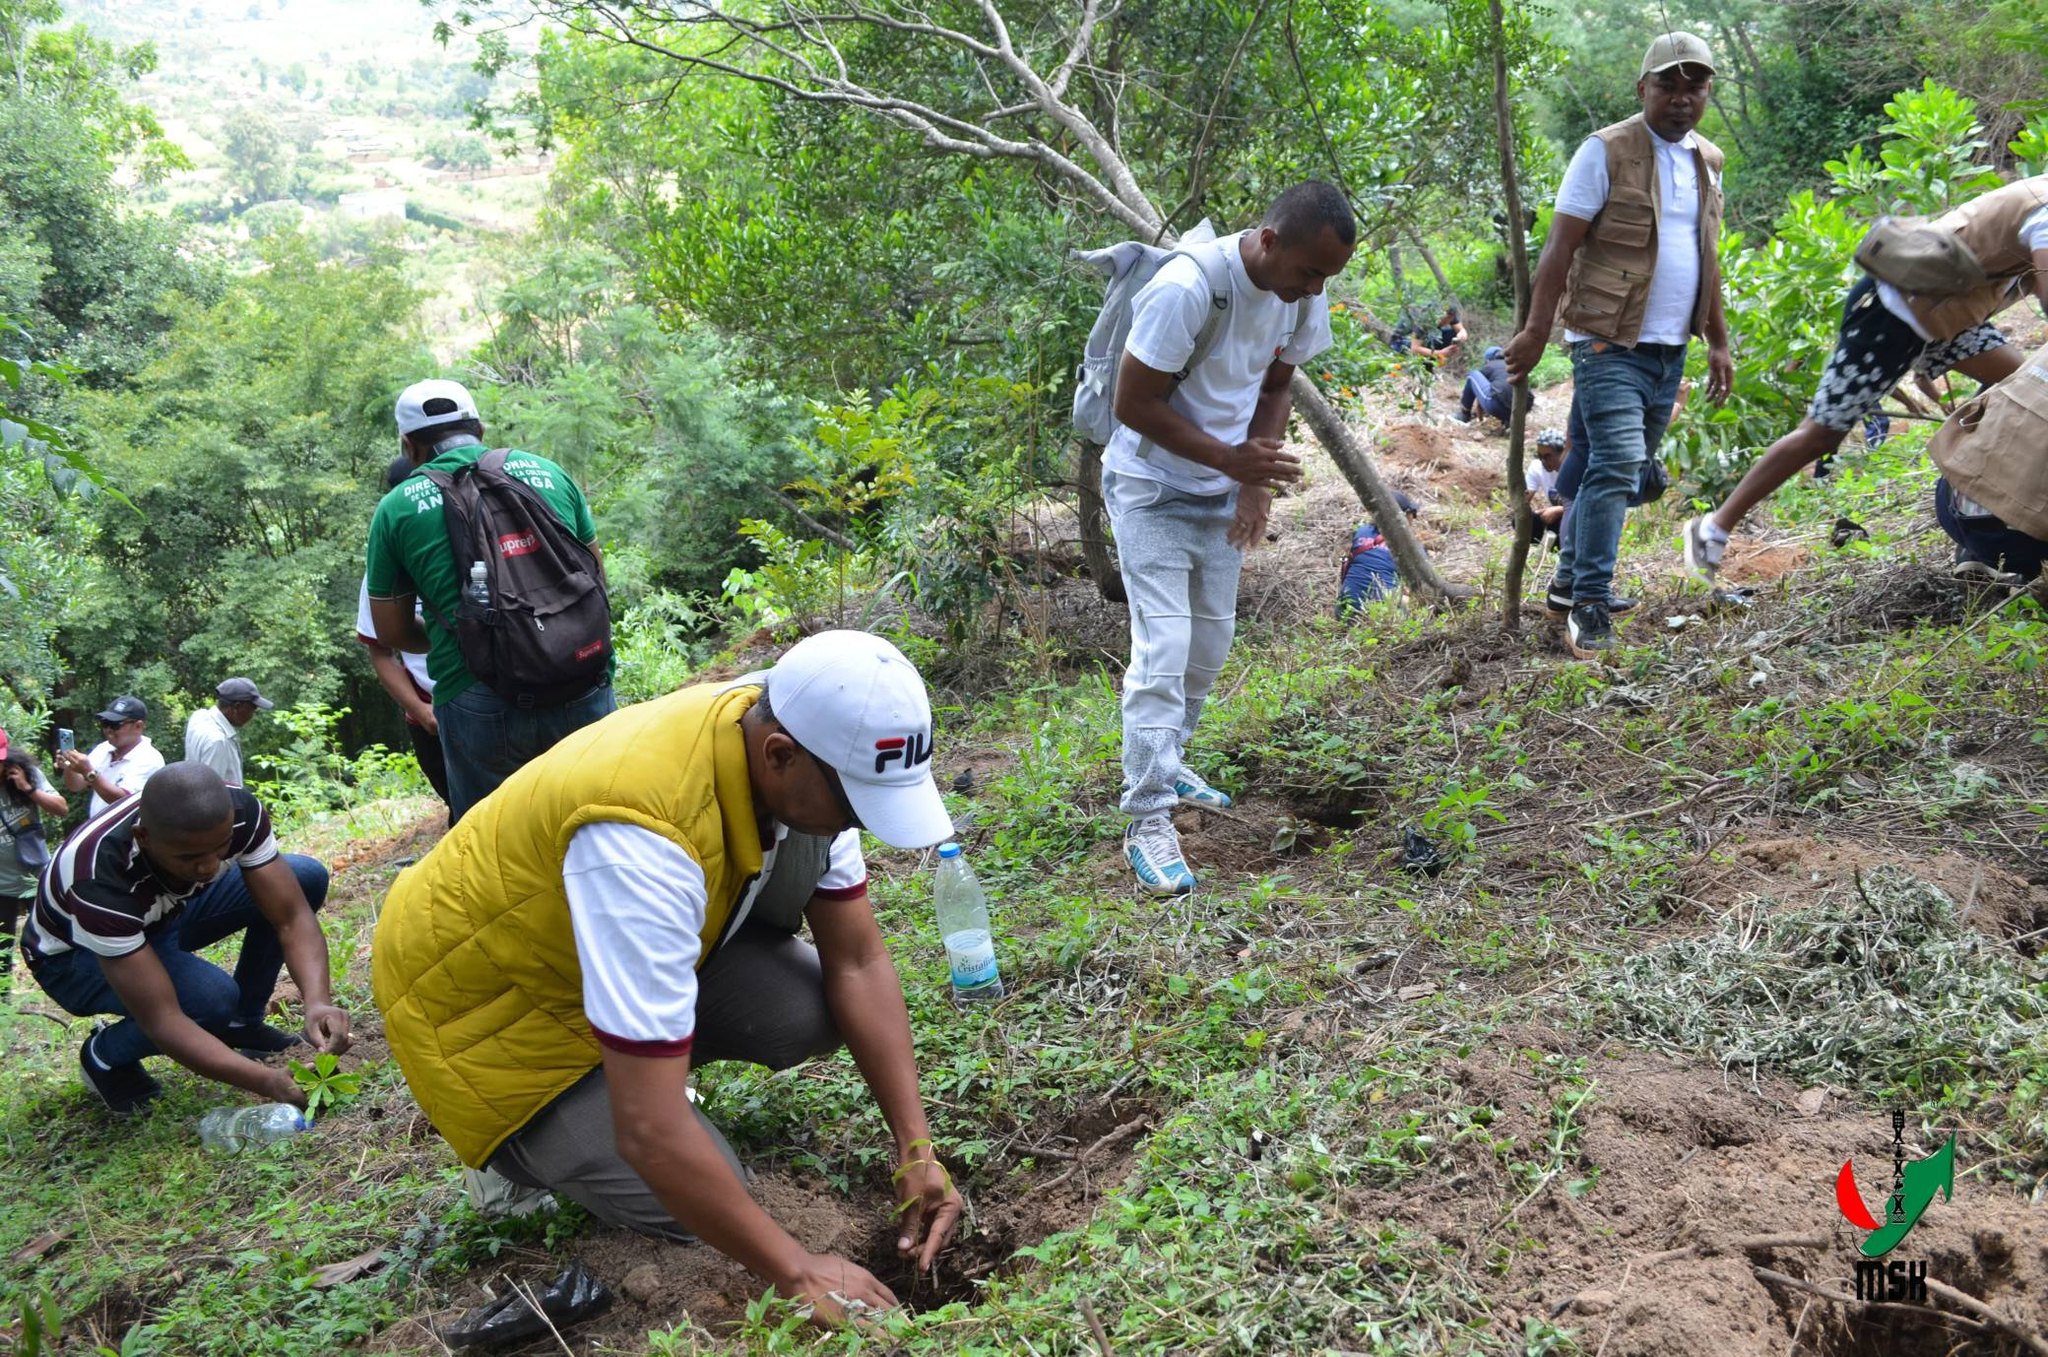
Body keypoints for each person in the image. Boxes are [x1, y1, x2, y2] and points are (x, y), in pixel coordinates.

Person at [373, 630, 962, 1325]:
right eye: (856, 805)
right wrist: (797, 1270)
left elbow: (858, 961)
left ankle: (640, 1049)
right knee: (694, 1195)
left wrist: (915, 1147)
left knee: (806, 1009)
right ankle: (533, 1145)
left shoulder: (798, 736)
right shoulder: (641, 839)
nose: (858, 823)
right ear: (779, 755)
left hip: (576, 947)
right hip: (490, 1017)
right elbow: (651, 1130)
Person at [1103, 180, 1356, 894]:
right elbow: (1132, 403)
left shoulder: (1303, 291)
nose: (1313, 290)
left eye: (1327, 278)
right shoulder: (1188, 288)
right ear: (1269, 241)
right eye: (1309, 272)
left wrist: (1252, 483)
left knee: (1209, 645)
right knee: (1164, 649)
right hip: (1150, 489)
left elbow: (1276, 387)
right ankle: (1148, 815)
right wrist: (1229, 460)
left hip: (1219, 492)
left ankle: (1170, 757)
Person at [1682, 174, 2048, 579]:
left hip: (1948, 316)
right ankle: (1713, 528)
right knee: (1821, 434)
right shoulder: (2045, 210)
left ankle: (1974, 535)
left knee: (2020, 386)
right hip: (1891, 314)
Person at [1505, 31, 1733, 659]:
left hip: (1670, 351)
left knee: (1610, 470)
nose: (1681, 99)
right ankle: (1591, 605)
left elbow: (1706, 258)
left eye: (1695, 88)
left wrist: (1717, 340)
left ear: (1707, 94)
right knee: (1617, 467)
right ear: (1642, 88)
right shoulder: (1604, 152)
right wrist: (1534, 329)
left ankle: (1567, 581)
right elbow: (1560, 248)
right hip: (1608, 344)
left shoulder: (1707, 162)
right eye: (1668, 85)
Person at [23, 763, 347, 1114]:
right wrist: (264, 1080)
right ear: (143, 837)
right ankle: (104, 1055)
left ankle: (243, 1024)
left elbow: (291, 916)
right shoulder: (97, 877)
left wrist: (317, 1001)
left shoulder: (236, 811)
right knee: (209, 1002)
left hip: (162, 913)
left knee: (303, 878)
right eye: (190, 856)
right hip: (73, 956)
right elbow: (162, 1018)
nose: (209, 867)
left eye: (220, 848)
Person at [364, 378, 615, 822]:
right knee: (605, 814)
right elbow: (596, 575)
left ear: (409, 446)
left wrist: (460, 634)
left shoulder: (397, 508)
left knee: (496, 841)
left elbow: (391, 633)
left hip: (477, 692)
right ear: (479, 428)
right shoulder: (548, 472)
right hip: (580, 677)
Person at [357, 456, 450, 811]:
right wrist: (421, 711)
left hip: (485, 699)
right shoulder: (383, 572)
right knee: (459, 806)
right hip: (429, 712)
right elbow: (380, 652)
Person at [0, 740, 67, 997]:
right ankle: (3, 1004)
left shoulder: (26, 773)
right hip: (1, 887)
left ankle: (66, 987)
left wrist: (28, 790)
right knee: (2, 950)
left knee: (55, 938)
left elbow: (61, 808)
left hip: (36, 878)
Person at [54, 695, 165, 817]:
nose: (108, 730)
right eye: (105, 724)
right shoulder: (104, 748)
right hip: (100, 830)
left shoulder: (149, 758)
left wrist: (88, 772)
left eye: (115, 725)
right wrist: (69, 766)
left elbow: (124, 802)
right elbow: (76, 786)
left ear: (138, 726)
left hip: (128, 833)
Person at [1337, 491, 1423, 617]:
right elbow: (1422, 584)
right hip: (1382, 613)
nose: (1414, 518)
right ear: (1402, 516)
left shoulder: (1362, 531)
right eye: (1413, 513)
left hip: (1345, 609)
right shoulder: (1411, 546)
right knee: (1410, 601)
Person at [183, 678, 274, 786]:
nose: (252, 715)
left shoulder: (199, 717)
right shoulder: (217, 741)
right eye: (252, 709)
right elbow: (211, 790)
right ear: (237, 707)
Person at [1456, 345, 1513, 425]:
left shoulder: (1490, 365)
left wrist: (1481, 417)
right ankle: (1507, 422)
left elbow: (1479, 394)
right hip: (1522, 409)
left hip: (1497, 406)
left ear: (1488, 360)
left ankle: (1464, 414)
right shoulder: (1513, 365)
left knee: (1473, 375)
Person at [1527, 428, 1567, 539]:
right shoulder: (1537, 467)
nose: (1543, 461)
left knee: (1556, 525)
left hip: (1576, 516)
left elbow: (1585, 504)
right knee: (1525, 522)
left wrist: (1558, 510)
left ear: (1561, 453)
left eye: (1548, 456)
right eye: (1540, 456)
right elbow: (1524, 499)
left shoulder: (1574, 468)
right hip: (1560, 514)